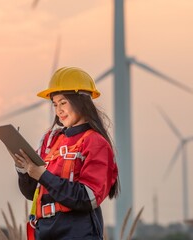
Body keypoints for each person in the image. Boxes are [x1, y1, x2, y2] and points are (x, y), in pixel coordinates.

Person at [11, 66, 119, 240]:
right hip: (44, 230)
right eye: (55, 104)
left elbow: (87, 197)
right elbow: (33, 193)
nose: (58, 110)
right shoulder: (51, 141)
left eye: (63, 103)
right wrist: (23, 169)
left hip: (77, 232)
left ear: (81, 102)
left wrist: (44, 175)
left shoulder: (95, 142)